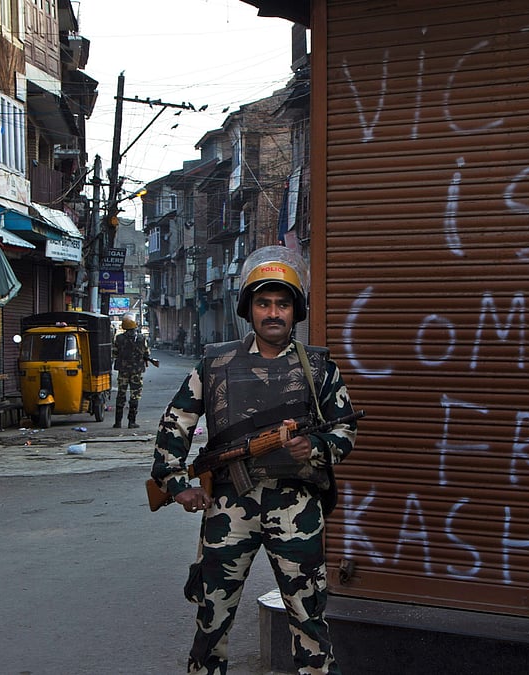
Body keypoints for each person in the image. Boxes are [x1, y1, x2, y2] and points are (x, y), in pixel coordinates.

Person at [151, 246, 358, 675]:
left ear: (294, 310)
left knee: (309, 617)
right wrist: (176, 485)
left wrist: (314, 448)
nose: (273, 313)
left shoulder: (318, 368)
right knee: (213, 616)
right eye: (264, 303)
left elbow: (344, 430)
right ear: (250, 309)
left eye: (282, 304)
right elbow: (176, 423)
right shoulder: (215, 364)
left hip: (296, 505)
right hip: (228, 507)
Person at [112, 314, 158, 428]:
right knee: (135, 395)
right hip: (136, 371)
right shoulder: (142, 338)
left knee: (121, 394)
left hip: (123, 371)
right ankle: (131, 422)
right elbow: (147, 353)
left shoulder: (119, 338)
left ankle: (118, 422)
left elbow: (114, 353)